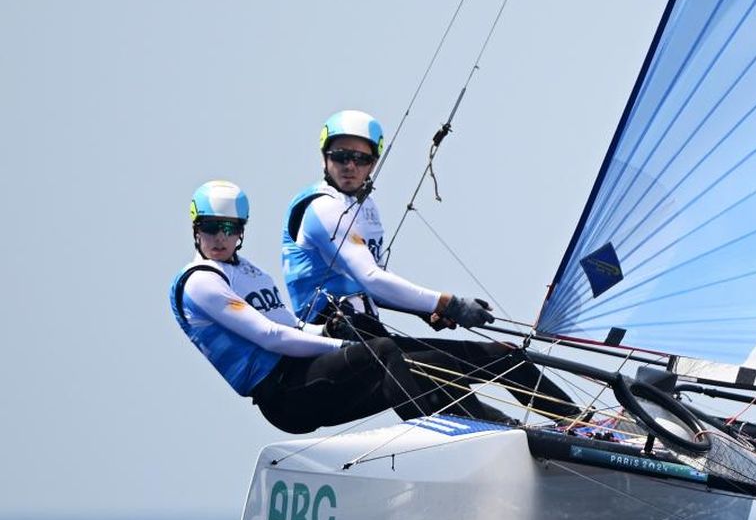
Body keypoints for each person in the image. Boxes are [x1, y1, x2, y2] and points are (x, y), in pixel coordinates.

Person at [281, 109, 576, 420]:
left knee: (504, 357)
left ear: (374, 163)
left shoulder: (364, 207)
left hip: (372, 332)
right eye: (341, 156)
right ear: (325, 156)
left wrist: (424, 309)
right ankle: (518, 433)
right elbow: (371, 278)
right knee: (441, 369)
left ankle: (580, 425)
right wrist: (447, 303)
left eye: (362, 158)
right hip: (342, 339)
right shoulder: (323, 208)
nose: (351, 166)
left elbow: (374, 285)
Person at [170, 180, 514, 433]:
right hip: (283, 396)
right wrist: (344, 344)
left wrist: (326, 329)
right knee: (382, 350)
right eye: (210, 228)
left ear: (241, 232)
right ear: (196, 230)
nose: (219, 238)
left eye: (229, 229)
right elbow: (272, 336)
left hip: (307, 376)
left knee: (426, 365)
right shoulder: (201, 282)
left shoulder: (252, 274)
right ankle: (437, 437)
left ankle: (498, 428)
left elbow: (293, 326)